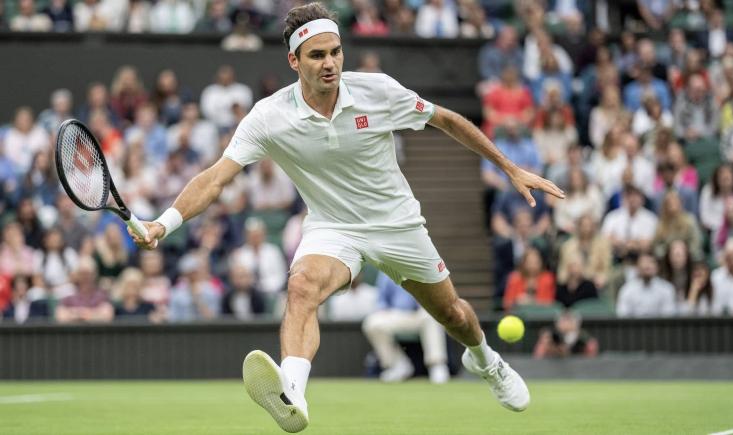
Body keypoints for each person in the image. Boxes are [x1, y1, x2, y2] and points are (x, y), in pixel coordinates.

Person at [127, 3, 565, 431]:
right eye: (317, 55)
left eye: (335, 52)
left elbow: (447, 120)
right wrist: (163, 223)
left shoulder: (378, 91)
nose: (330, 63)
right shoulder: (268, 116)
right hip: (332, 228)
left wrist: (509, 167)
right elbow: (215, 178)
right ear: (293, 61)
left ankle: (486, 360)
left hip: (397, 224)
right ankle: (293, 393)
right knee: (301, 287)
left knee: (453, 315)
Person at [362, 273, 450, 384]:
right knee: (372, 323)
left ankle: (437, 365)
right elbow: (381, 301)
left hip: (420, 314)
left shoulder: (423, 266)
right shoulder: (385, 272)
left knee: (431, 315)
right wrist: (384, 311)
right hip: (397, 316)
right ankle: (398, 365)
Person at [616, 252, 676, 318]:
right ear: (637, 268)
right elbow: (623, 316)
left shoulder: (667, 289)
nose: (647, 266)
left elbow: (668, 317)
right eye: (643, 263)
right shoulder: (627, 290)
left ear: (657, 267)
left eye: (651, 262)